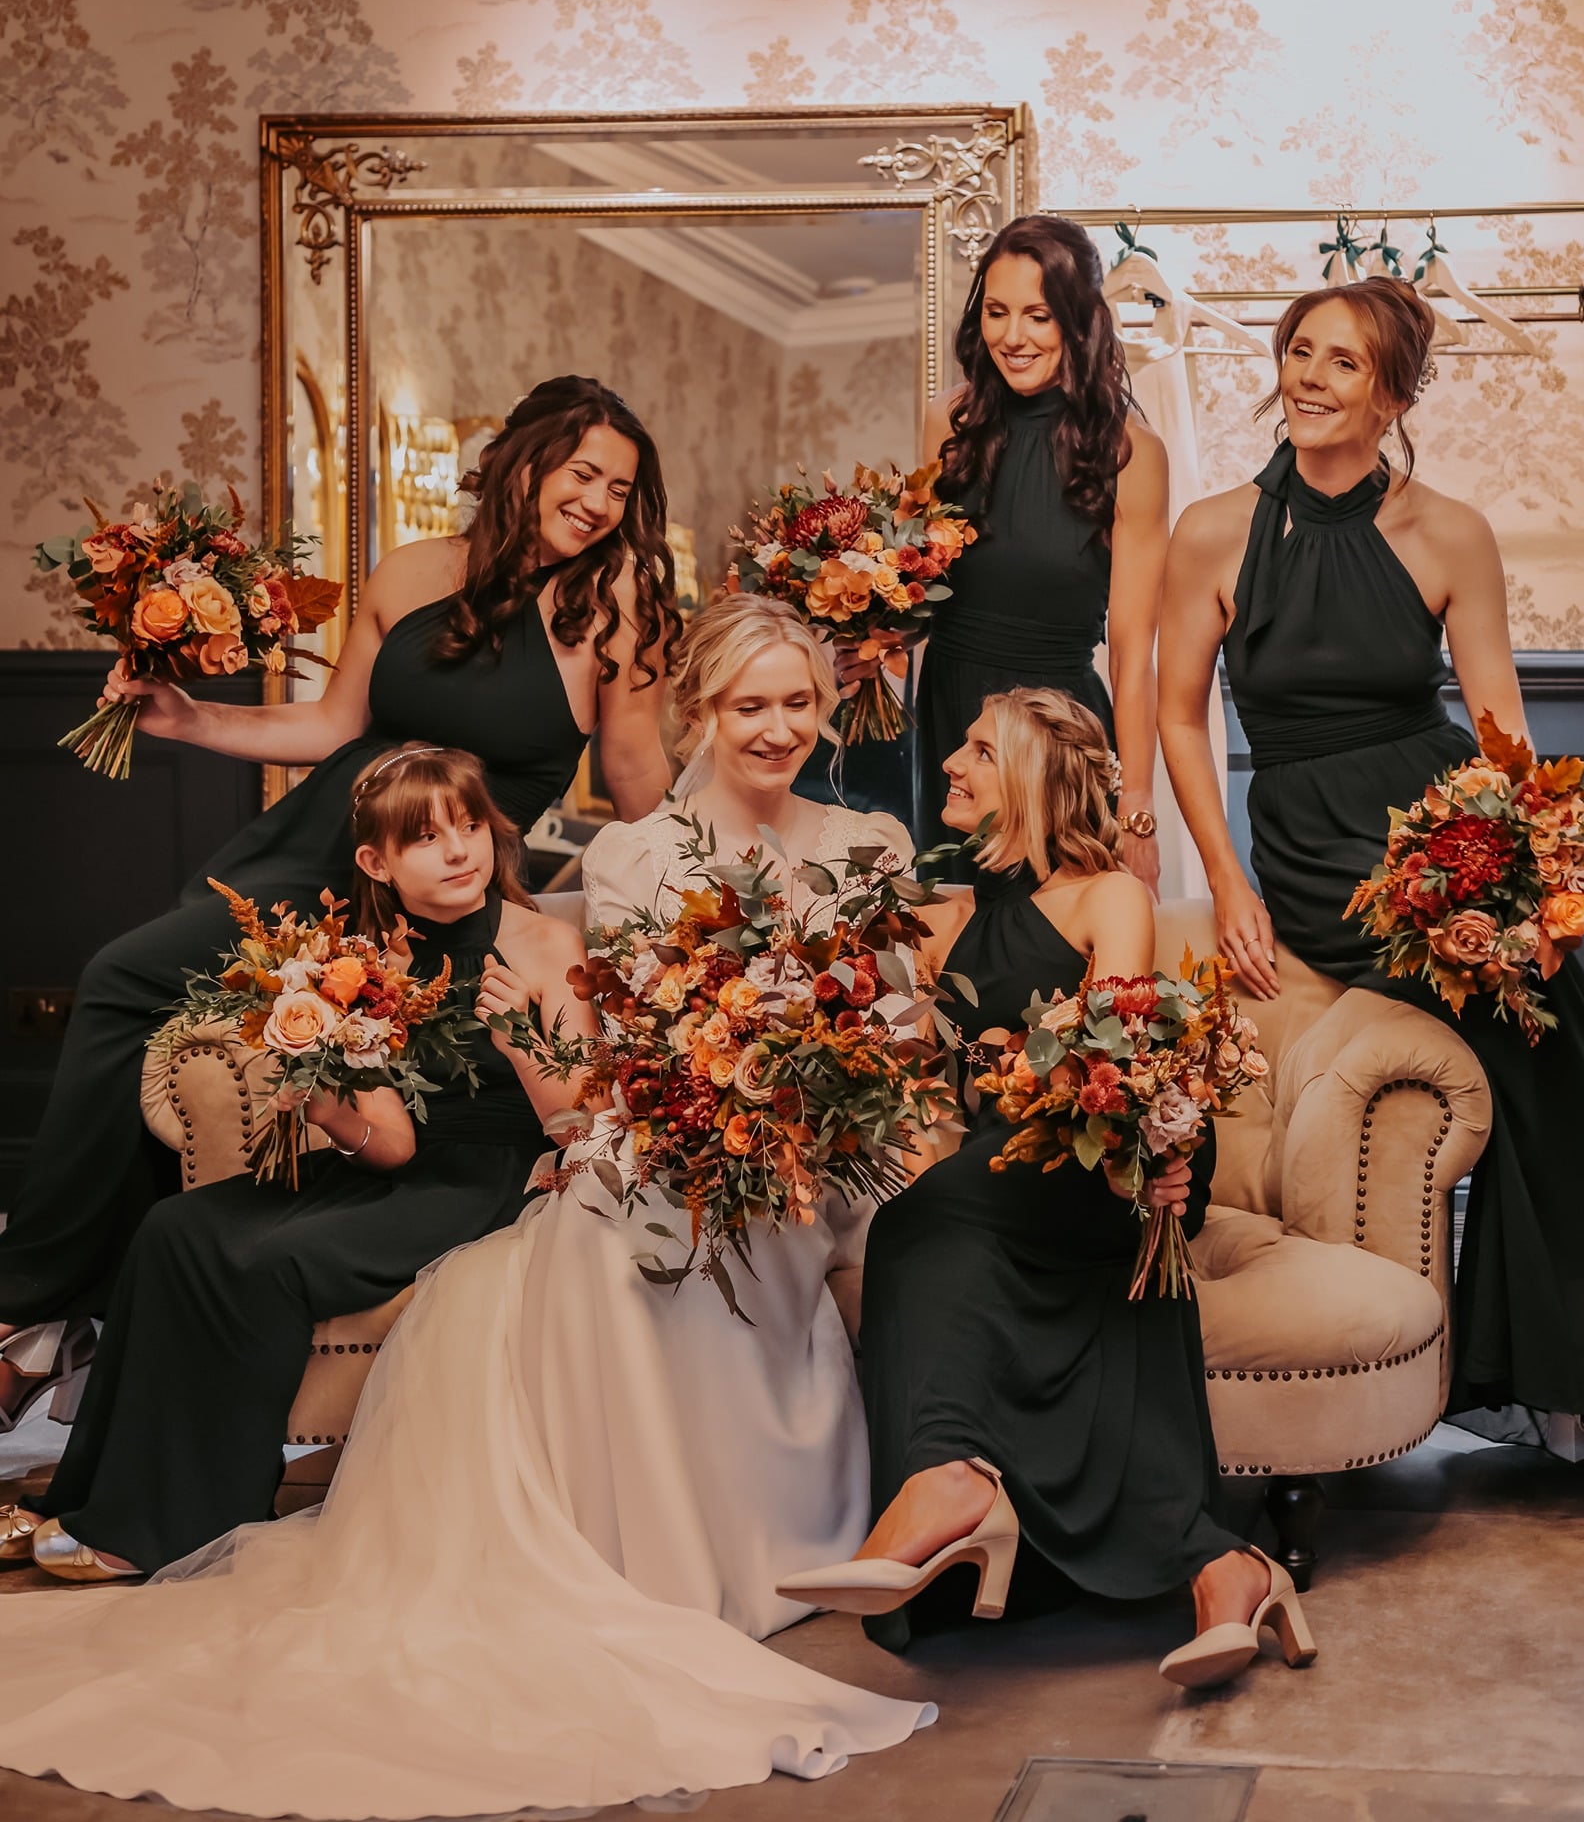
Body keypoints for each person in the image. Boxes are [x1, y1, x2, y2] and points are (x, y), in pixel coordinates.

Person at [0, 593, 933, 1818]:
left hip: (801, 1155)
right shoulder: (633, 854)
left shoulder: (869, 845)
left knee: (621, 1225)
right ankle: (622, 1548)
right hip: (672, 1130)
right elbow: (622, 1055)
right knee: (599, 1237)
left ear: (827, 707)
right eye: (748, 703)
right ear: (701, 708)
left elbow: (894, 1026)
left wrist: (817, 1065)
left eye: (797, 702)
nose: (774, 726)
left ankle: (745, 1537)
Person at [0, 375, 681, 1428]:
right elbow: (331, 727)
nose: (595, 500)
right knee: (128, 983)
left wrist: (718, 851)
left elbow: (641, 794)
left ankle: (55, 1320)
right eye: (581, 471)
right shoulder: (413, 570)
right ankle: (41, 1312)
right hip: (305, 859)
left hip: (438, 903)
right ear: (525, 460)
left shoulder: (611, 614)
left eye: (618, 488)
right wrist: (190, 722)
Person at [780, 687, 1315, 1690]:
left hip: (1117, 1155)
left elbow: (1113, 1057)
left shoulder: (1102, 894)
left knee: (919, 1218)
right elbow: (909, 1066)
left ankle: (945, 1480)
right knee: (930, 1212)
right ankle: (1225, 1567)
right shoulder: (937, 917)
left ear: (1032, 776)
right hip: (1001, 1173)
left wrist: (1004, 1061)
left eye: (979, 750)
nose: (952, 763)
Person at [1156, 275, 1584, 1449]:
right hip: (1316, 851)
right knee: (1548, 1049)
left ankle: (1566, 1372)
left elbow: (1503, 729)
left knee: (1558, 1046)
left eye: (1341, 361)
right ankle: (1576, 1375)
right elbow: (1171, 717)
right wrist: (1230, 881)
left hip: (1442, 834)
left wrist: (1530, 882)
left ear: (1393, 392)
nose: (1308, 376)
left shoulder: (1445, 528)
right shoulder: (1210, 529)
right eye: (1299, 350)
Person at [0, 744, 594, 1577]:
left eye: (469, 827)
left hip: (494, 1175)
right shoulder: (363, 961)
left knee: (269, 1260)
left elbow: (584, 1125)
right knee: (175, 1226)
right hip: (403, 1170)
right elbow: (391, 1144)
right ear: (374, 861)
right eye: (426, 838)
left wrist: (523, 1038)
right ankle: (93, 1493)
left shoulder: (544, 942)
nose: (460, 851)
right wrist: (319, 1093)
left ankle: (181, 1526)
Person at [914, 215, 1169, 888]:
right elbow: (917, 582)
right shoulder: (948, 423)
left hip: (1059, 735)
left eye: (1039, 315)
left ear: (1079, 321)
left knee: (1058, 952)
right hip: (950, 715)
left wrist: (1135, 806)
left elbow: (1133, 650)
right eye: (998, 312)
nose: (1013, 337)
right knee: (949, 943)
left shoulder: (1131, 454)